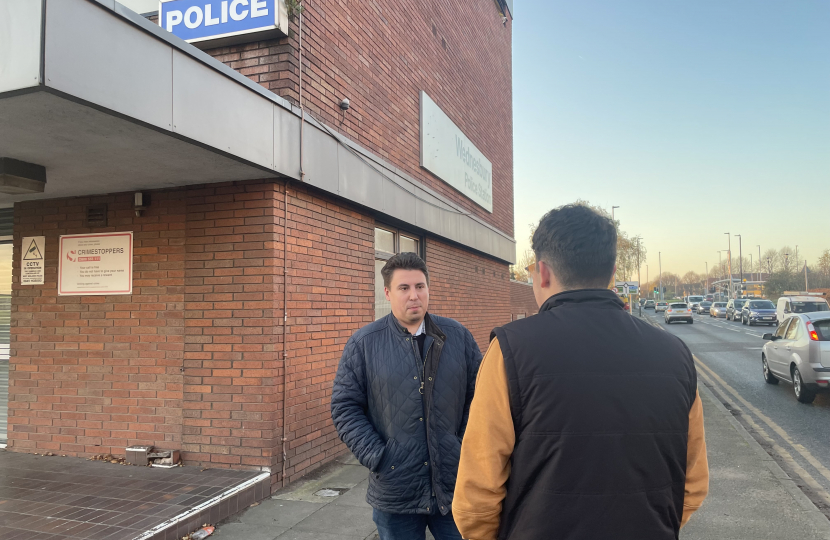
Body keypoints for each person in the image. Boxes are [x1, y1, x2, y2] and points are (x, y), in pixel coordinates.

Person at [453, 204, 709, 540]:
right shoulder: (676, 356)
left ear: (542, 272)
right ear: (613, 273)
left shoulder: (510, 351)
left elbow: (476, 498)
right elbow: (692, 485)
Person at [331, 252, 482, 540]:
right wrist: (378, 455)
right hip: (396, 491)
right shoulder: (364, 343)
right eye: (404, 288)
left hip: (454, 487)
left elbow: (480, 397)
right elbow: (345, 406)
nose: (414, 295)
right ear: (387, 292)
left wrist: (462, 444)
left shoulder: (458, 336)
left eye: (420, 286)